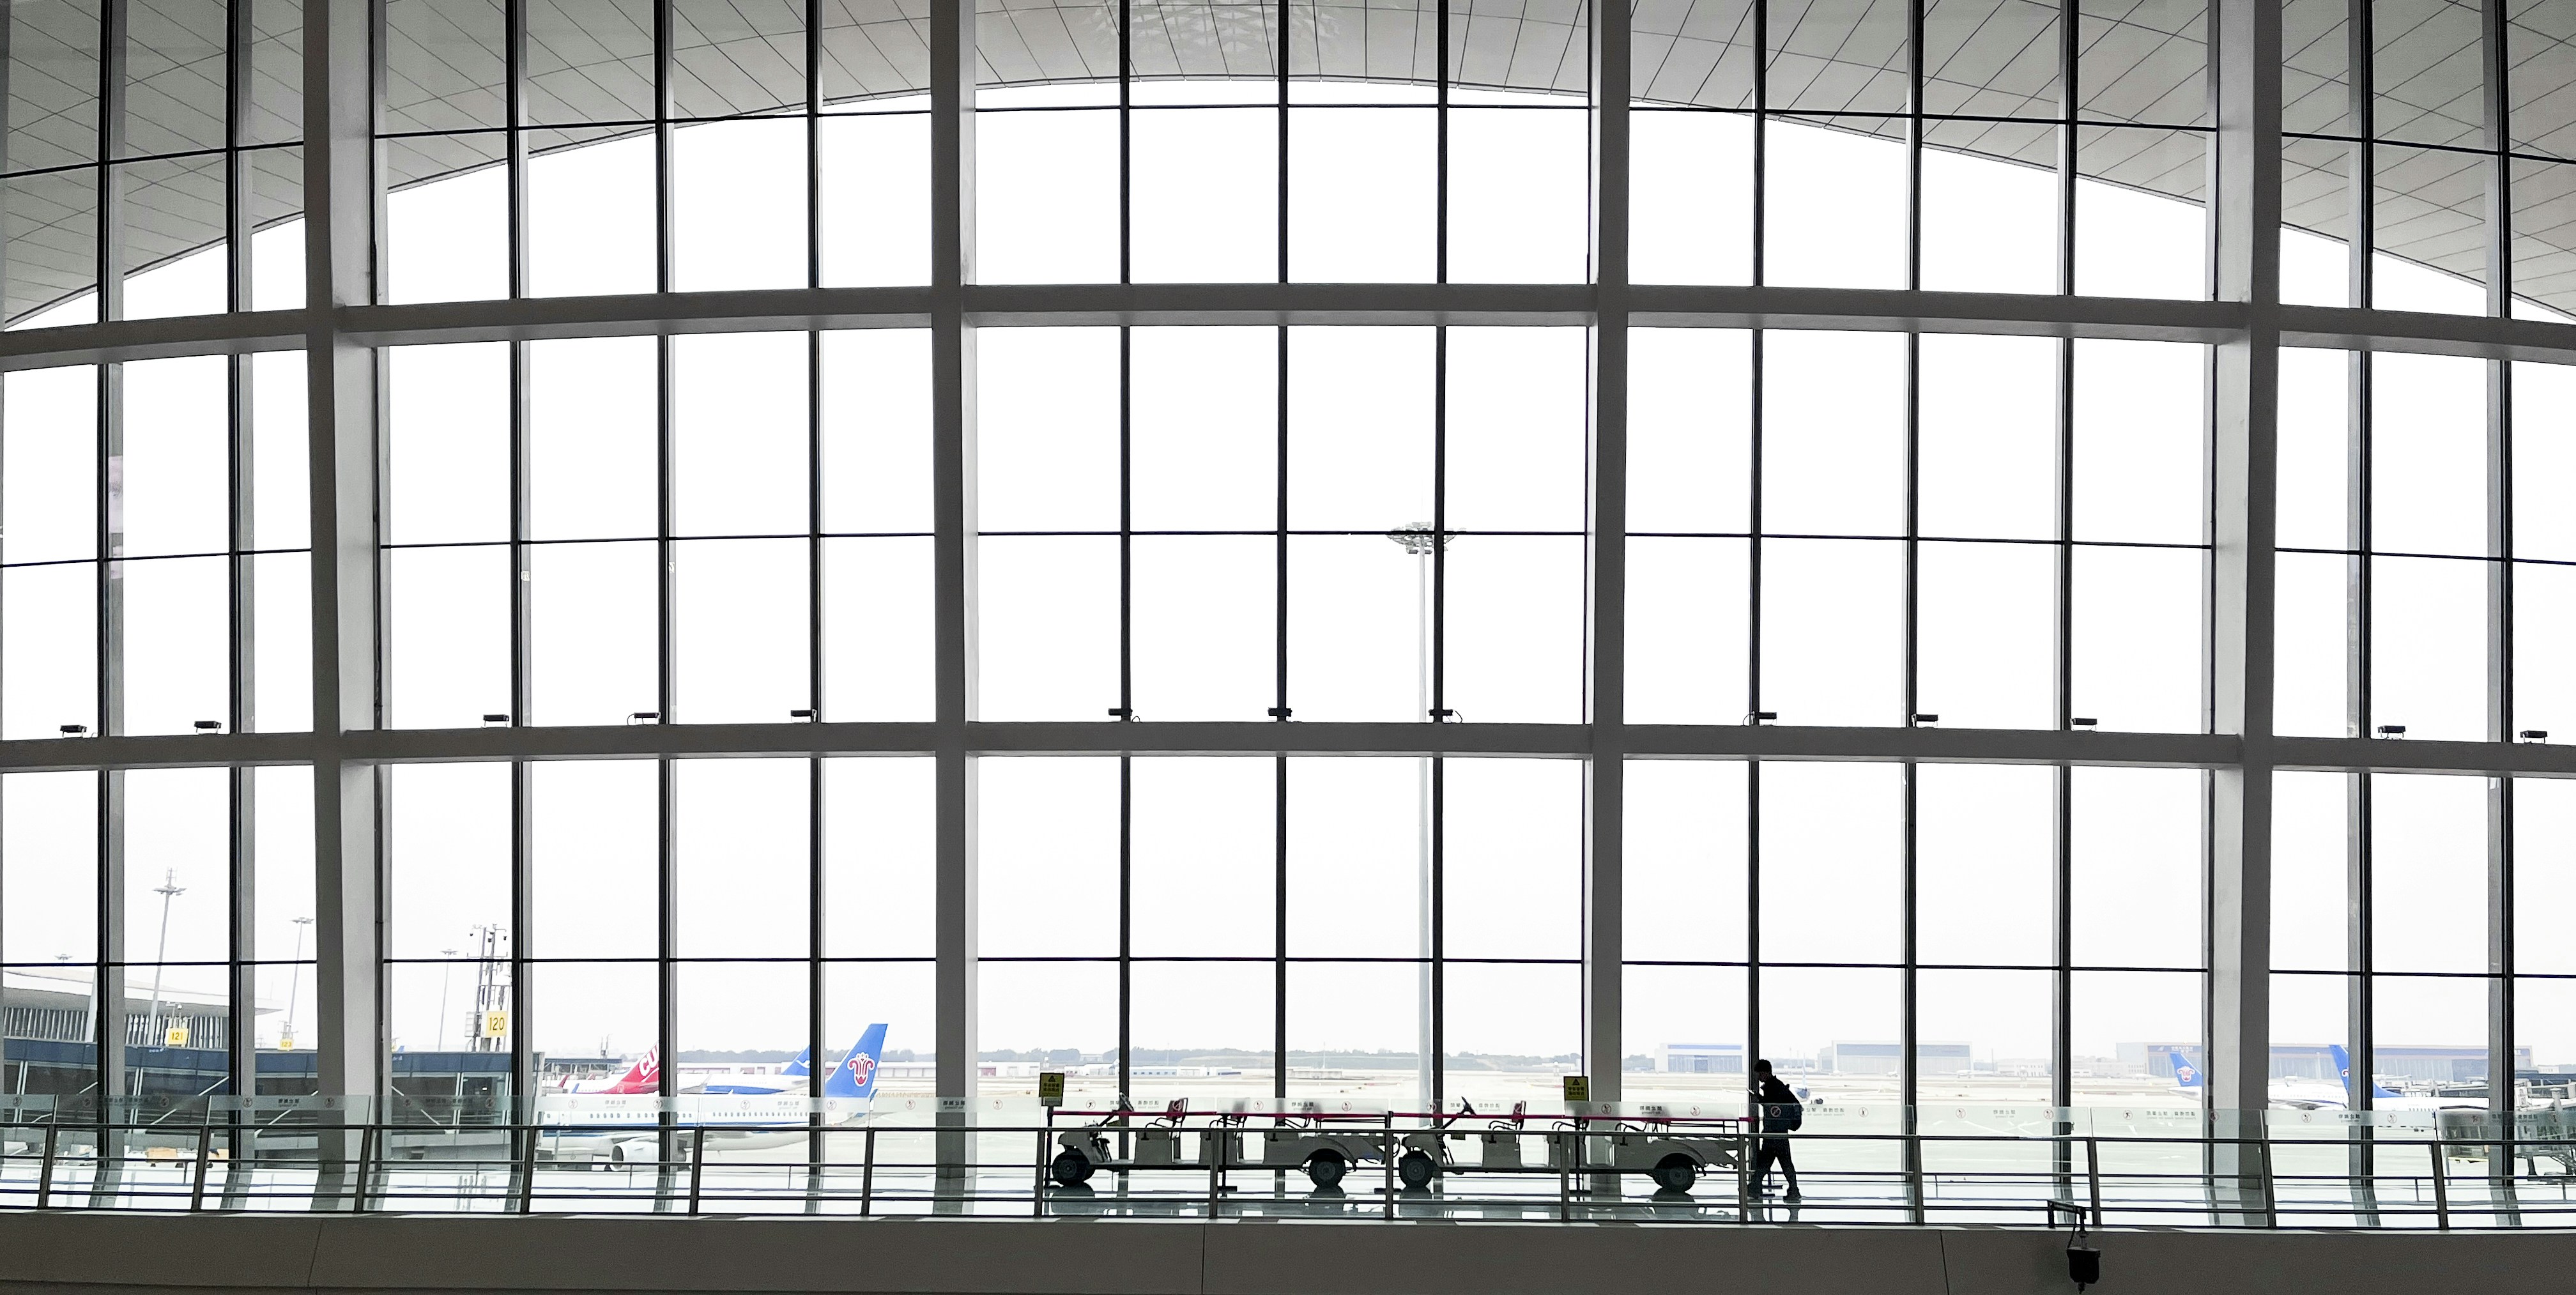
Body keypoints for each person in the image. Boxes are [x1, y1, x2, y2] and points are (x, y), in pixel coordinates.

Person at [1750, 1059, 1802, 1201]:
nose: (1759, 1078)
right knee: (1781, 1163)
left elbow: (1772, 1108)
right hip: (1780, 1133)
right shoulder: (1778, 1087)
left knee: (1766, 1162)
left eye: (1760, 1074)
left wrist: (1759, 1099)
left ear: (1765, 1073)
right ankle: (1793, 1190)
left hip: (1773, 1133)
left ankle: (1755, 1188)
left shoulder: (1773, 1088)